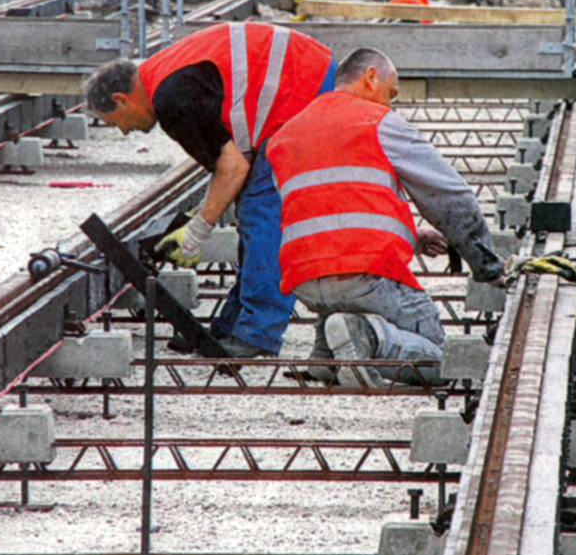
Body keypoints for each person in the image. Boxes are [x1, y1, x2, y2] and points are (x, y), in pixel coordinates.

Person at [82, 22, 336, 359]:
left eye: (116, 122)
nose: (126, 132)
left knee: (263, 214)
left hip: (306, 90)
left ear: (122, 99)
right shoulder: (162, 78)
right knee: (252, 208)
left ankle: (258, 334)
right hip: (304, 81)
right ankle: (232, 326)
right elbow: (231, 167)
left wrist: (198, 231)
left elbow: (232, 167)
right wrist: (199, 218)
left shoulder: (172, 99)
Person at [266, 48, 506, 386]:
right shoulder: (378, 122)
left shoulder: (285, 136)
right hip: (366, 279)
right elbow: (451, 198)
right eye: (390, 93)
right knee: (444, 362)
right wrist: (488, 268)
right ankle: (367, 337)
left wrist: (410, 236)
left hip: (303, 281)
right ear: (371, 78)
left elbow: (327, 210)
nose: (390, 105)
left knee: (340, 294)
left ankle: (326, 355)